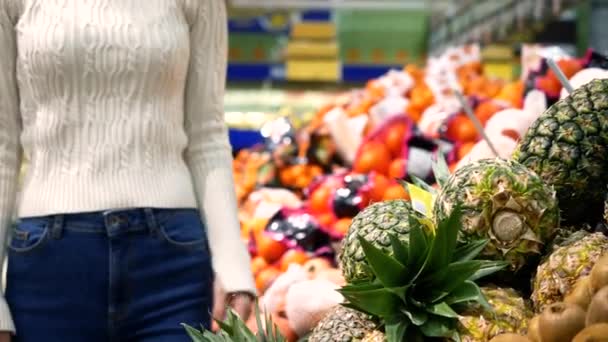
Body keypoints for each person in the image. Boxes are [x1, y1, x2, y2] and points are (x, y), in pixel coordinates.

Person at [0, 0, 256, 341]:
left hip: (172, 263)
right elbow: (3, 146)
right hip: (49, 265)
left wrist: (233, 263)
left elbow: (206, 134)